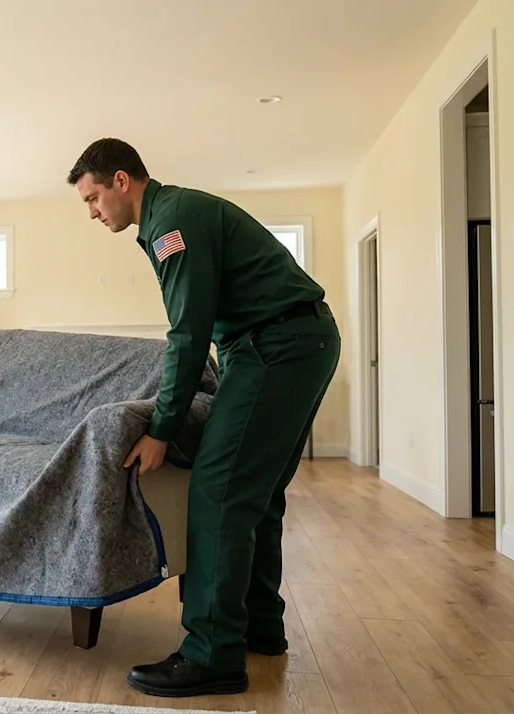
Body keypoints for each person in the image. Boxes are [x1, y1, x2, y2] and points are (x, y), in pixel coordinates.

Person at [67, 139, 340, 697]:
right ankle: (258, 628)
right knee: (256, 494)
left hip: (276, 344)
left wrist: (162, 429)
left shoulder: (172, 224)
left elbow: (187, 334)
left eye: (93, 198)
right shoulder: (172, 216)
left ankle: (212, 653)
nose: (93, 212)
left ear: (122, 181)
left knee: (217, 490)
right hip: (290, 341)